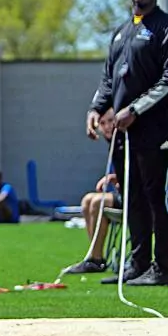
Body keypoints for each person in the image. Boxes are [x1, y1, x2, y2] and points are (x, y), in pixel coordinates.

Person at [87, 0, 168, 286]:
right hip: (125, 134)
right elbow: (109, 79)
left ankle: (162, 269)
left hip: (158, 129)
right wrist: (96, 109)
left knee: (158, 195)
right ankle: (138, 263)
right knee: (132, 197)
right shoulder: (122, 32)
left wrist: (136, 109)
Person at [66, 109, 121, 274]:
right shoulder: (112, 144)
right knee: (87, 200)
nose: (107, 126)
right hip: (122, 192)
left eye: (110, 121)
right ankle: (93, 255)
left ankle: (96, 260)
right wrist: (114, 178)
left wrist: (116, 179)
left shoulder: (125, 141)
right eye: (102, 123)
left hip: (135, 197)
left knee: (97, 202)